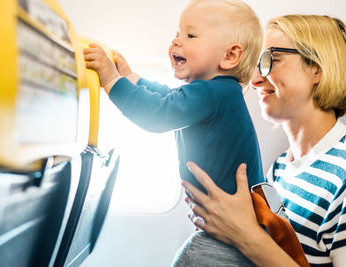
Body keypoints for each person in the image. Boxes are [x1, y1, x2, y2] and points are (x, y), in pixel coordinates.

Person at [178, 14, 346, 266]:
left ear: (317, 69)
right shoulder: (278, 169)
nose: (255, 80)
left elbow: (255, 241)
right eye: (255, 64)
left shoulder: (342, 177)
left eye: (269, 60)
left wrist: (242, 233)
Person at [83, 0, 264, 197]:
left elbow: (158, 113)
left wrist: (112, 80)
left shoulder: (216, 92)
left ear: (229, 56)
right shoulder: (217, 91)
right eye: (177, 34)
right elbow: (168, 97)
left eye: (190, 35)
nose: (176, 41)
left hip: (236, 218)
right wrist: (130, 78)